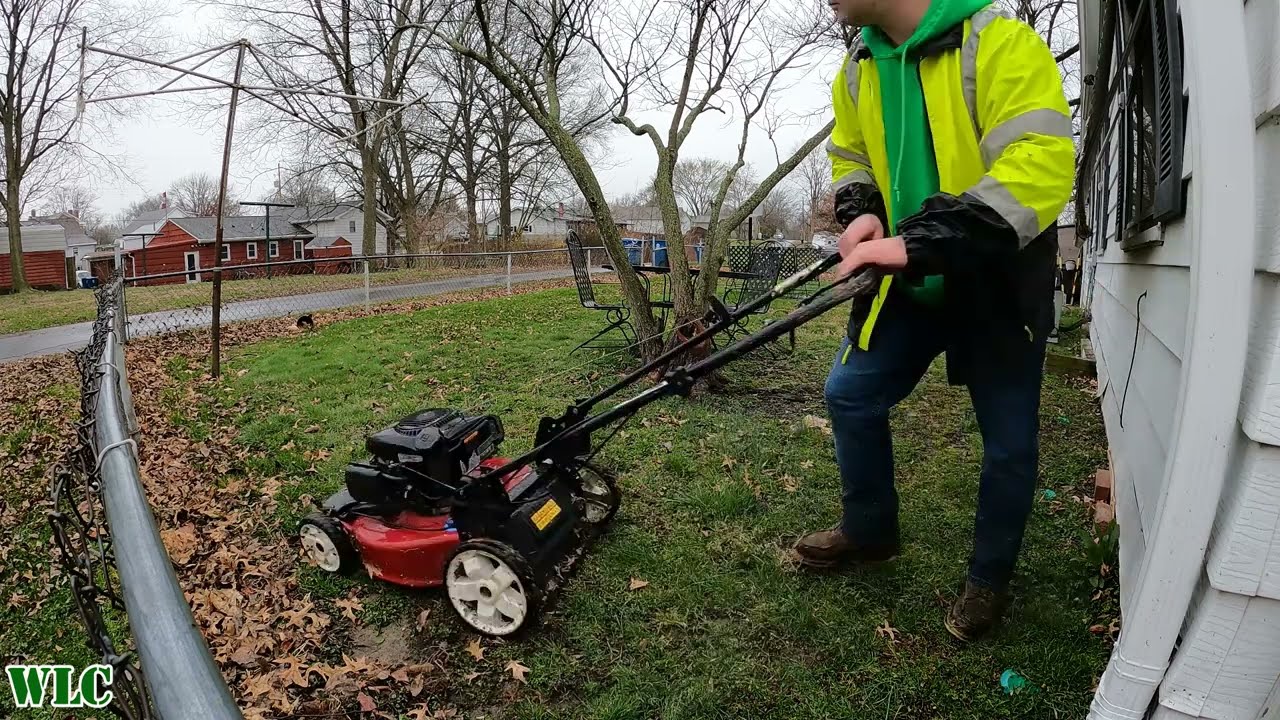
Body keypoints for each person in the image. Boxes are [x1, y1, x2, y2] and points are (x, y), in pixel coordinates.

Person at [793, 0, 1074, 642]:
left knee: (1008, 446)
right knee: (850, 394)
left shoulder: (1001, 43)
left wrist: (922, 241)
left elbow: (1041, 166)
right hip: (907, 280)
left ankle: (989, 579)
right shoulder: (859, 65)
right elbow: (851, 154)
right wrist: (861, 209)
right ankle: (869, 533)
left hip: (996, 284)